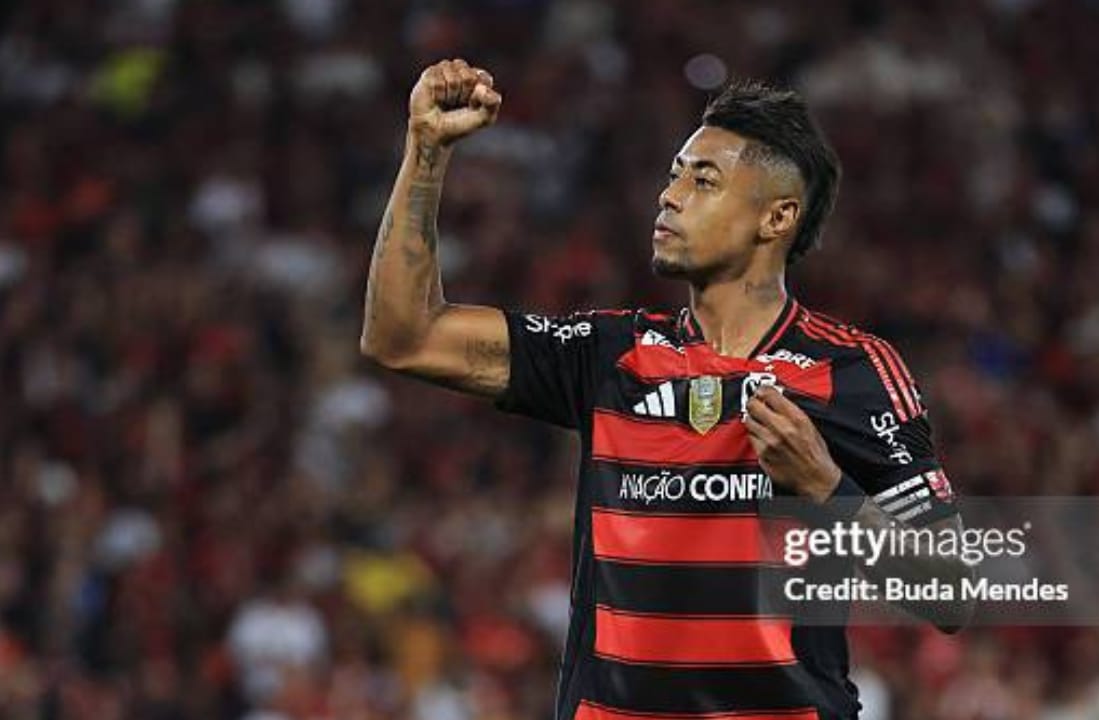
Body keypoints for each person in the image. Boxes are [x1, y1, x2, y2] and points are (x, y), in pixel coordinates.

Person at [361, 58, 973, 720]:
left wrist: (827, 489)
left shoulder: (852, 371)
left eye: (703, 180)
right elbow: (403, 336)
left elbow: (954, 592)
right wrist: (425, 149)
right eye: (675, 174)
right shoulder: (609, 355)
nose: (670, 195)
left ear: (777, 218)